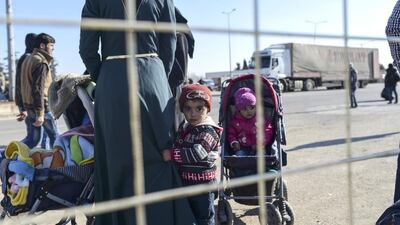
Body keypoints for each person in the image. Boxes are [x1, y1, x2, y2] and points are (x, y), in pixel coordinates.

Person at [79, 1, 196, 224]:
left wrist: (104, 76)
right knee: (158, 154)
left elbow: (87, 50)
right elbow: (169, 42)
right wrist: (156, 75)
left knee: (116, 156)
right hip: (153, 76)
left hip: (113, 81)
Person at [162, 84, 222, 225]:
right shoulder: (186, 128)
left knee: (204, 219)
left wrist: (172, 155)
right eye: (188, 108)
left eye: (199, 108)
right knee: (189, 217)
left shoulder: (208, 131)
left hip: (203, 187)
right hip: (187, 183)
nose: (193, 114)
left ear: (207, 109)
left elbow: (197, 153)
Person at [20, 33, 59, 149]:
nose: (53, 48)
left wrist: (23, 107)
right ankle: (57, 165)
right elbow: (38, 88)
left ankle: (7, 154)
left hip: (30, 107)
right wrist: (40, 114)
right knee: (55, 137)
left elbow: (22, 86)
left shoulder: (28, 59)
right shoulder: (41, 62)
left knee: (33, 140)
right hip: (42, 108)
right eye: (51, 45)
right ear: (42, 46)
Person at [15, 33, 49, 149]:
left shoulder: (26, 57)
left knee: (37, 137)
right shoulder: (30, 59)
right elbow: (22, 84)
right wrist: (22, 107)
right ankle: (9, 153)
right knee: (34, 138)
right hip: (32, 103)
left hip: (28, 103)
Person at [227, 87, 274, 156]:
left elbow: (268, 130)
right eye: (244, 109)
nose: (249, 111)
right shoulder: (235, 122)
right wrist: (234, 142)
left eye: (252, 108)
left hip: (259, 146)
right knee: (239, 156)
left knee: (262, 155)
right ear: (239, 110)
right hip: (243, 147)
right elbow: (231, 134)